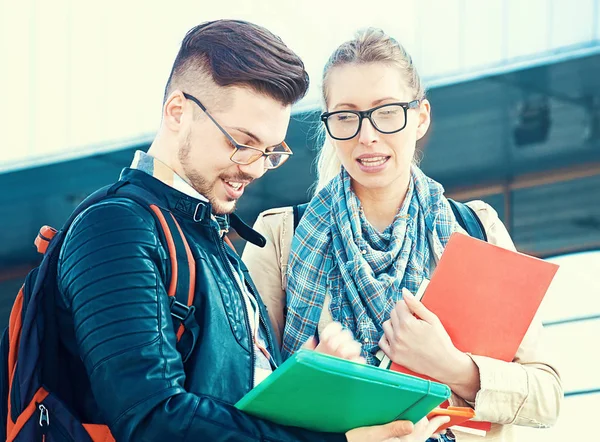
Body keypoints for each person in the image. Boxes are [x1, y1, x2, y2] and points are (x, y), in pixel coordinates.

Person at [53, 20, 447, 442]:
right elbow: (152, 417)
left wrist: (307, 378)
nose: (256, 167)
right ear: (177, 112)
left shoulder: (208, 238)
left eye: (270, 150)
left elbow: (233, 405)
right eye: (242, 143)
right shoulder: (114, 227)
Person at [242, 28, 563, 442]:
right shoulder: (281, 236)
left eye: (387, 111)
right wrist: (308, 374)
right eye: (346, 116)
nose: (367, 135)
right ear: (328, 124)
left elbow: (547, 395)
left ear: (420, 117)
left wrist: (452, 366)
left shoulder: (476, 230)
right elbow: (243, 397)